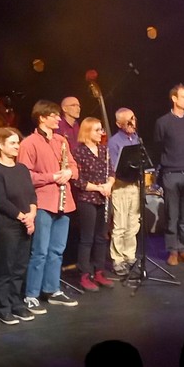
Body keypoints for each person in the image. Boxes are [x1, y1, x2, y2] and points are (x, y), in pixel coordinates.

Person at [18, 100, 80, 312]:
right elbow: (25, 175)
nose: (58, 118)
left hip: (64, 202)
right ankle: (31, 294)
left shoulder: (62, 140)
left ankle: (52, 290)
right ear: (42, 118)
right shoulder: (29, 143)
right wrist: (52, 176)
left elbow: (74, 166)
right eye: (53, 115)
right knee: (40, 251)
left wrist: (69, 173)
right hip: (43, 202)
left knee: (57, 250)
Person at [0, 127, 38, 325]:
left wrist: (32, 214)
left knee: (19, 267)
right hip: (6, 226)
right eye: (12, 143)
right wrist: (22, 217)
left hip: (26, 223)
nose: (17, 146)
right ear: (1, 145)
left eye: (18, 142)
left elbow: (31, 194)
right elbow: (0, 200)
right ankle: (3, 308)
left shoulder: (22, 169)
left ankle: (16, 303)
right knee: (5, 268)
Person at [155, 84, 184, 266]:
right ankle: (172, 250)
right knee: (172, 214)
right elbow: (158, 146)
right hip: (171, 174)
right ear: (174, 99)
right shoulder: (163, 122)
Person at [70, 117, 115, 292]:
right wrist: (97, 188)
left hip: (103, 197)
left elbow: (111, 171)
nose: (101, 133)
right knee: (87, 238)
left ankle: (99, 272)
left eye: (101, 129)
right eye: (97, 130)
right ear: (87, 131)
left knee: (101, 237)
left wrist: (109, 185)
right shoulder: (78, 152)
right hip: (87, 199)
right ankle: (84, 275)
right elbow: (78, 180)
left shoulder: (104, 150)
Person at [107, 108, 142, 276]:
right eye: (127, 120)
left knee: (133, 224)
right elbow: (114, 167)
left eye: (133, 119)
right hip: (120, 186)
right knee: (120, 225)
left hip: (134, 185)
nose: (131, 123)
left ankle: (130, 256)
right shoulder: (114, 142)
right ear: (118, 124)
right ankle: (118, 259)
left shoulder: (136, 138)